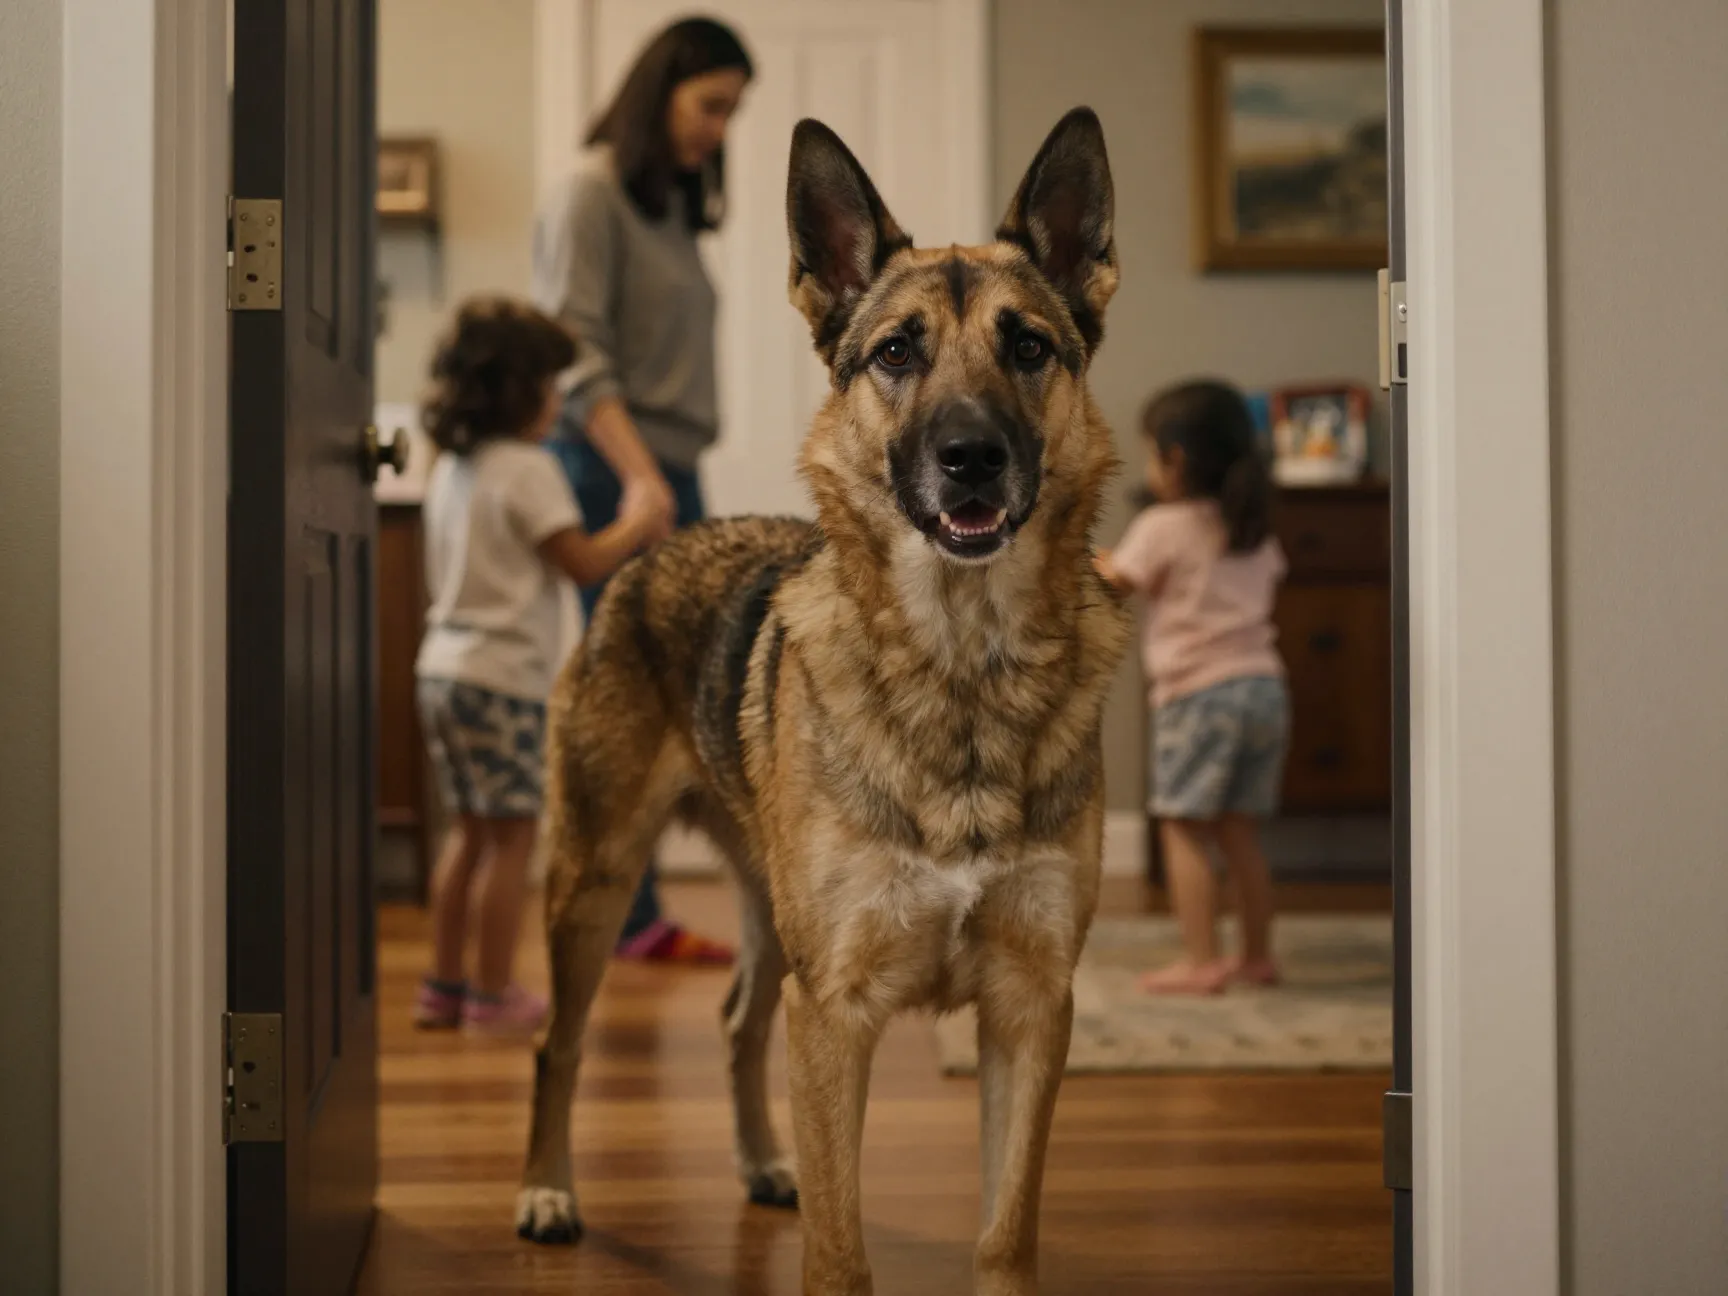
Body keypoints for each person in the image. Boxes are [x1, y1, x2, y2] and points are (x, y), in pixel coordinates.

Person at [530, 16, 753, 965]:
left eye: (733, 111)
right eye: (709, 104)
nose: (720, 128)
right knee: (631, 697)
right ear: (657, 90)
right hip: (612, 468)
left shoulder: (666, 206)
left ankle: (639, 913)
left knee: (687, 694)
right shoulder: (589, 193)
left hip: (667, 469)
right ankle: (617, 913)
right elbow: (574, 349)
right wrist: (638, 478)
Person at [412, 297, 671, 1034]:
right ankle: (494, 996)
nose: (561, 404)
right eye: (552, 388)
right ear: (517, 391)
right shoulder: (528, 470)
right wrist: (639, 519)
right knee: (512, 841)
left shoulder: (453, 468)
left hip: (444, 671)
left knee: (467, 835)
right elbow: (582, 562)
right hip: (502, 681)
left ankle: (445, 985)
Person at [1096, 380, 1290, 996]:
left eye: (1151, 452)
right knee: (1239, 833)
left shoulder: (1165, 525)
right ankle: (1256, 956)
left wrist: (1081, 555)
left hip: (1197, 698)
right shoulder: (1253, 529)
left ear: (1174, 459)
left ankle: (1202, 960)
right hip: (1264, 691)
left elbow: (1118, 581)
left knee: (1181, 828)